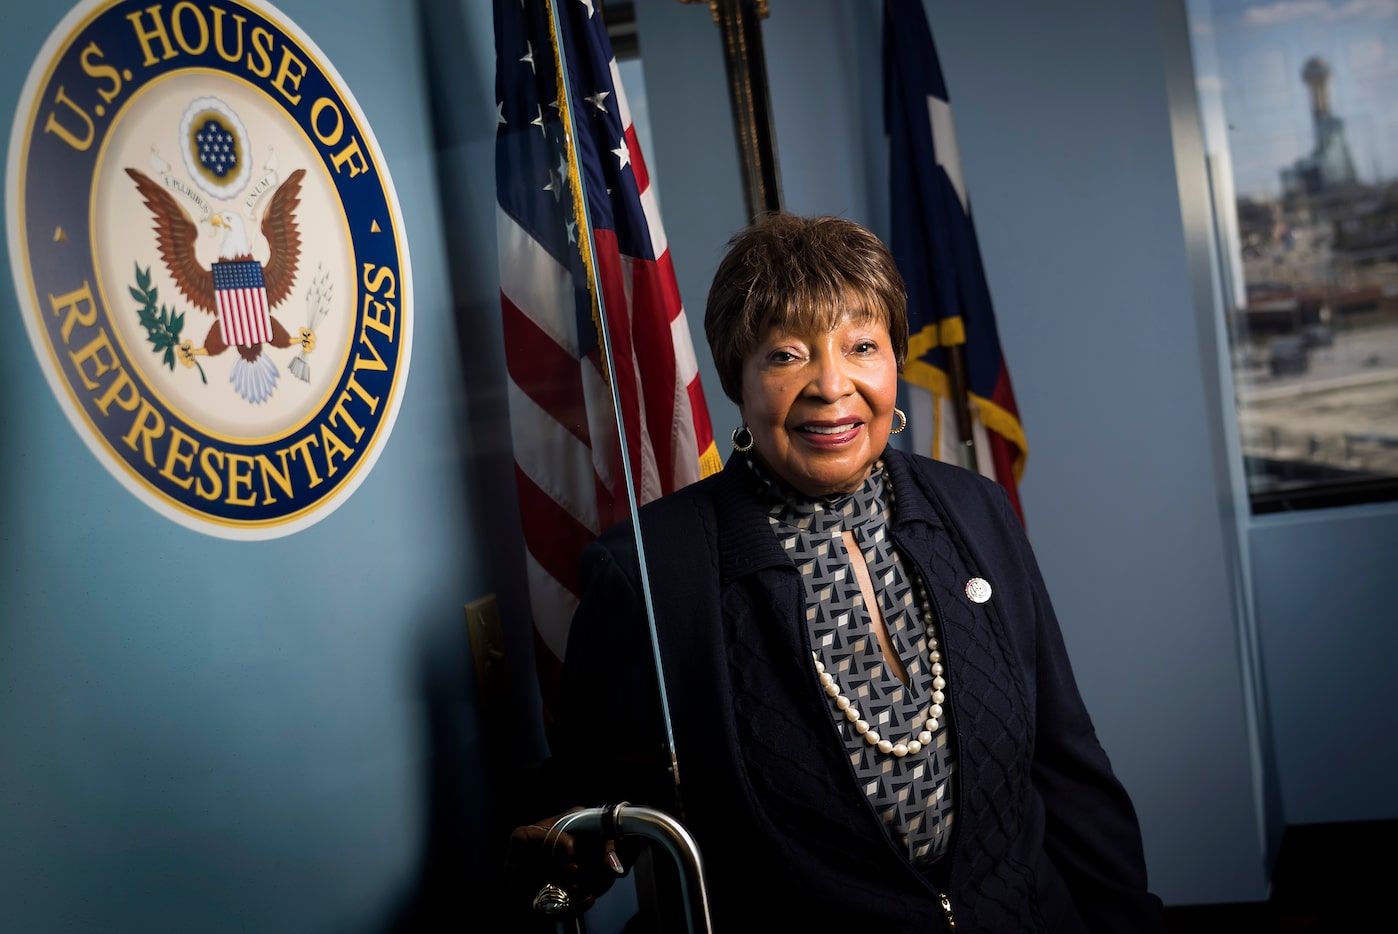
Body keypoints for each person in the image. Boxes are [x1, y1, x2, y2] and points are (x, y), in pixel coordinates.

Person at [506, 213, 1167, 932]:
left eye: (861, 346)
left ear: (893, 362)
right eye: (787, 355)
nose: (832, 384)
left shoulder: (977, 510)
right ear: (738, 377)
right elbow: (587, 820)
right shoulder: (647, 571)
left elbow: (1066, 763)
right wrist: (562, 852)